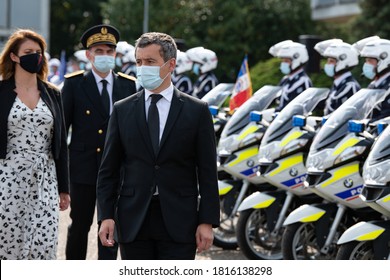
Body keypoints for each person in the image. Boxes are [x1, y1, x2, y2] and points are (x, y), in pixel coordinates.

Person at [97, 32, 220, 260]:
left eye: (150, 62)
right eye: (139, 62)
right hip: (133, 219)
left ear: (171, 64)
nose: (143, 68)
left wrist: (207, 221)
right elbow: (108, 170)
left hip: (179, 221)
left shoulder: (197, 111)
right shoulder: (123, 110)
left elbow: (207, 172)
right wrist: (106, 216)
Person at [61, 24, 137, 260]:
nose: (104, 56)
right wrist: (61, 177)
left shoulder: (128, 84)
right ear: (89, 55)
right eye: (99, 51)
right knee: (80, 226)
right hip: (83, 168)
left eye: (109, 51)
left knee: (110, 227)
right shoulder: (74, 84)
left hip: (116, 169)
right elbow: (62, 131)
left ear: (115, 54)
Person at [0, 29, 70, 259]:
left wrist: (64, 188)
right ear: (14, 56)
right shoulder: (1, 92)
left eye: (39, 52)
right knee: (8, 241)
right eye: (28, 52)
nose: (35, 56)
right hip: (8, 177)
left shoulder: (52, 93)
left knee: (44, 242)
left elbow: (60, 143)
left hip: (46, 178)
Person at [314, 39, 361, 116]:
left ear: (344, 62)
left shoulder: (349, 86)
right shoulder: (338, 84)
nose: (327, 64)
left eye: (331, 61)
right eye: (328, 61)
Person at [268, 40, 313, 111]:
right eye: (282, 61)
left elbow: (305, 107)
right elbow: (273, 98)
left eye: (286, 61)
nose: (283, 64)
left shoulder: (304, 81)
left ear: (297, 60)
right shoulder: (285, 79)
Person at [356, 37, 390, 120]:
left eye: (370, 60)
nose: (366, 64)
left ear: (385, 60)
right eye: (366, 60)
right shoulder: (372, 85)